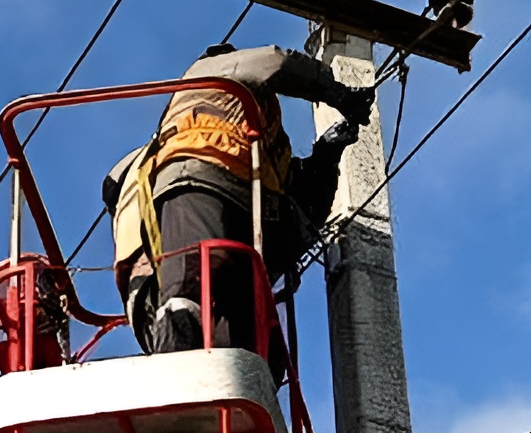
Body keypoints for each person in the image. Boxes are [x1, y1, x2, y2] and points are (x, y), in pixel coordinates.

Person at [104, 43, 374, 361]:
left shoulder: (259, 150)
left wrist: (326, 157)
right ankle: (187, 376)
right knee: (197, 277)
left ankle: (240, 384)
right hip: (201, 182)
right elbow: (275, 61)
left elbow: (304, 209)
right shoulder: (209, 75)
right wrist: (335, 91)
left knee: (251, 342)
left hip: (223, 220)